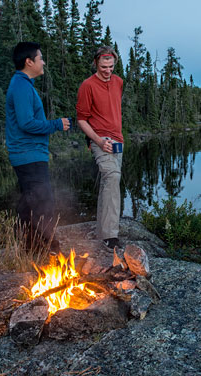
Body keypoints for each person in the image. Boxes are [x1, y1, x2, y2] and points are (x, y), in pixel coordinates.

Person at [5, 42, 70, 252]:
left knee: (31, 203)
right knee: (43, 204)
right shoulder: (21, 86)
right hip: (28, 155)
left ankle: (33, 250)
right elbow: (26, 123)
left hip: (29, 155)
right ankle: (47, 252)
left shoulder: (23, 85)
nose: (43, 62)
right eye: (40, 58)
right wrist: (56, 124)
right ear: (29, 61)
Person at [76, 46, 124, 249]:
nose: (107, 70)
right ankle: (110, 235)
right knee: (112, 176)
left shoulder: (119, 82)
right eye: (104, 66)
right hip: (100, 139)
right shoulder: (87, 86)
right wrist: (96, 140)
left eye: (111, 66)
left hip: (118, 140)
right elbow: (81, 119)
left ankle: (103, 230)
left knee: (109, 182)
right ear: (96, 63)